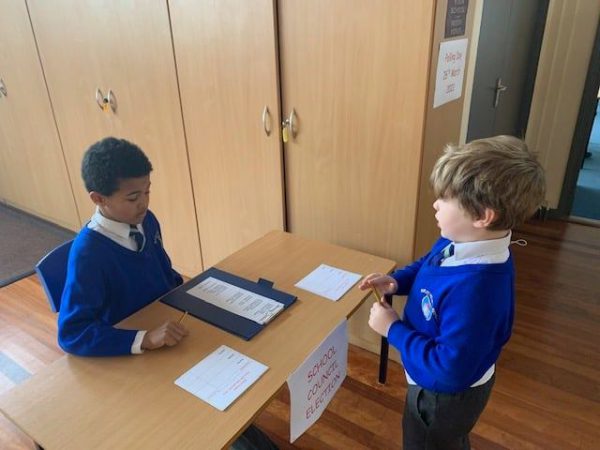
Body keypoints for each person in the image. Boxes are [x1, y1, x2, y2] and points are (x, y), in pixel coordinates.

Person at [59, 137, 278, 450]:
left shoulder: (146, 221)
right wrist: (144, 339)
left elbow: (165, 273)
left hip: (172, 335)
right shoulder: (88, 254)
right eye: (133, 197)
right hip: (132, 359)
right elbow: (72, 333)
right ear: (99, 198)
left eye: (147, 191)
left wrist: (197, 296)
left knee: (241, 373)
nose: (144, 203)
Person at [359, 135, 545, 450]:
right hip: (432, 377)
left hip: (442, 396)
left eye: (445, 199)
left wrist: (392, 329)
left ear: (483, 216)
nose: (435, 204)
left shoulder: (478, 291)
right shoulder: (460, 239)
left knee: (427, 442)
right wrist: (397, 282)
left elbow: (448, 368)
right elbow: (429, 264)